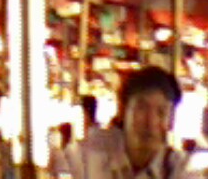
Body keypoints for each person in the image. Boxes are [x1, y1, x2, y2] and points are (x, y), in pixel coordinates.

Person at [51, 67, 185, 179]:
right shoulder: (84, 159)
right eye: (141, 108)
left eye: (161, 112)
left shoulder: (179, 169)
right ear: (122, 111)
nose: (150, 122)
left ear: (171, 121)